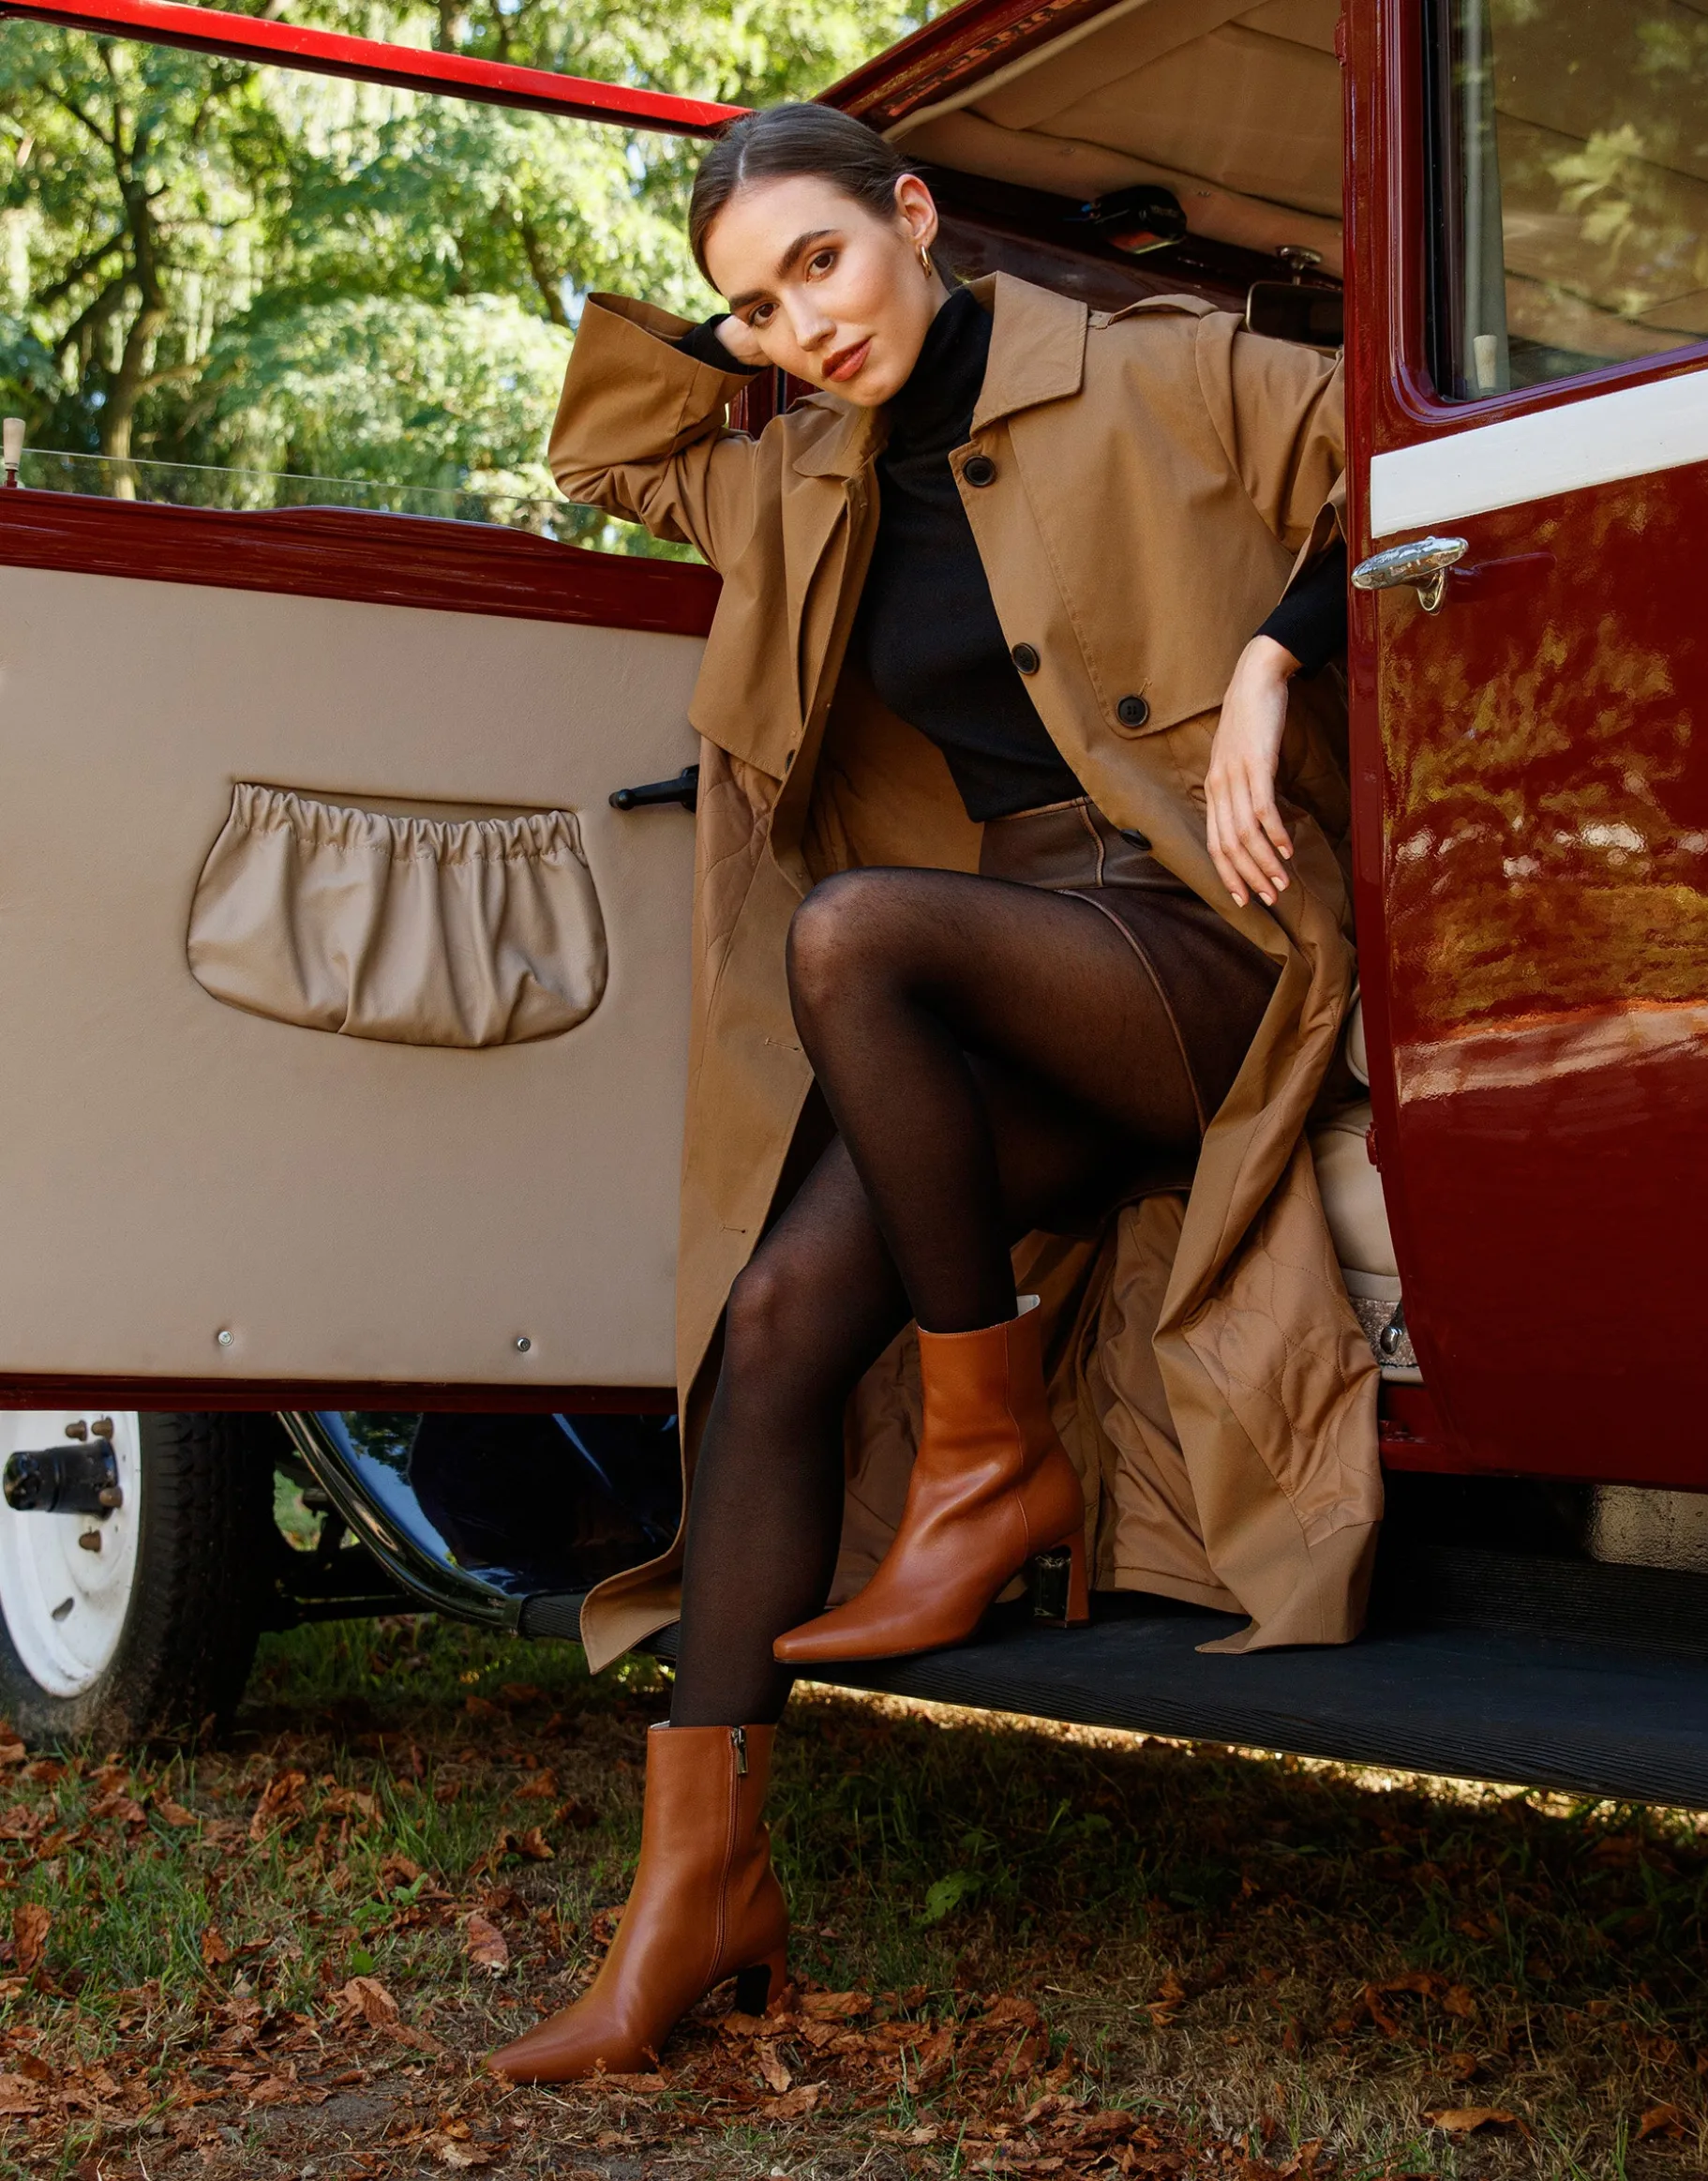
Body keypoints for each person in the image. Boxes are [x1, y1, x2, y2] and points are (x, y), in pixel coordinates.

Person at [490, 102, 1376, 2086]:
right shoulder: (802, 474)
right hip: (1028, 972)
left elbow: (1394, 463)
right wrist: (736, 321)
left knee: (856, 934)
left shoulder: (1155, 367)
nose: (803, 324)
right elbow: (606, 444)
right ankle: (693, 1898)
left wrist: (1267, 661)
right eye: (758, 306)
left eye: (824, 260)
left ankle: (989, 1463)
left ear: (915, 212)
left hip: (1211, 944)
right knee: (780, 1322)